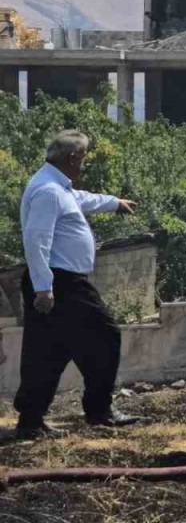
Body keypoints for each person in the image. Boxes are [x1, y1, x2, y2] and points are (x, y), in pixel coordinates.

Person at [14, 130, 140, 439]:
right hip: (61, 283)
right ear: (72, 158)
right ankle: (99, 411)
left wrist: (114, 203)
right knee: (106, 335)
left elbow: (82, 199)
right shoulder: (48, 191)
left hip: (57, 281)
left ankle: (31, 421)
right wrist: (45, 288)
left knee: (48, 352)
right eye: (82, 158)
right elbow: (36, 239)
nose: (83, 165)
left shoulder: (57, 186)